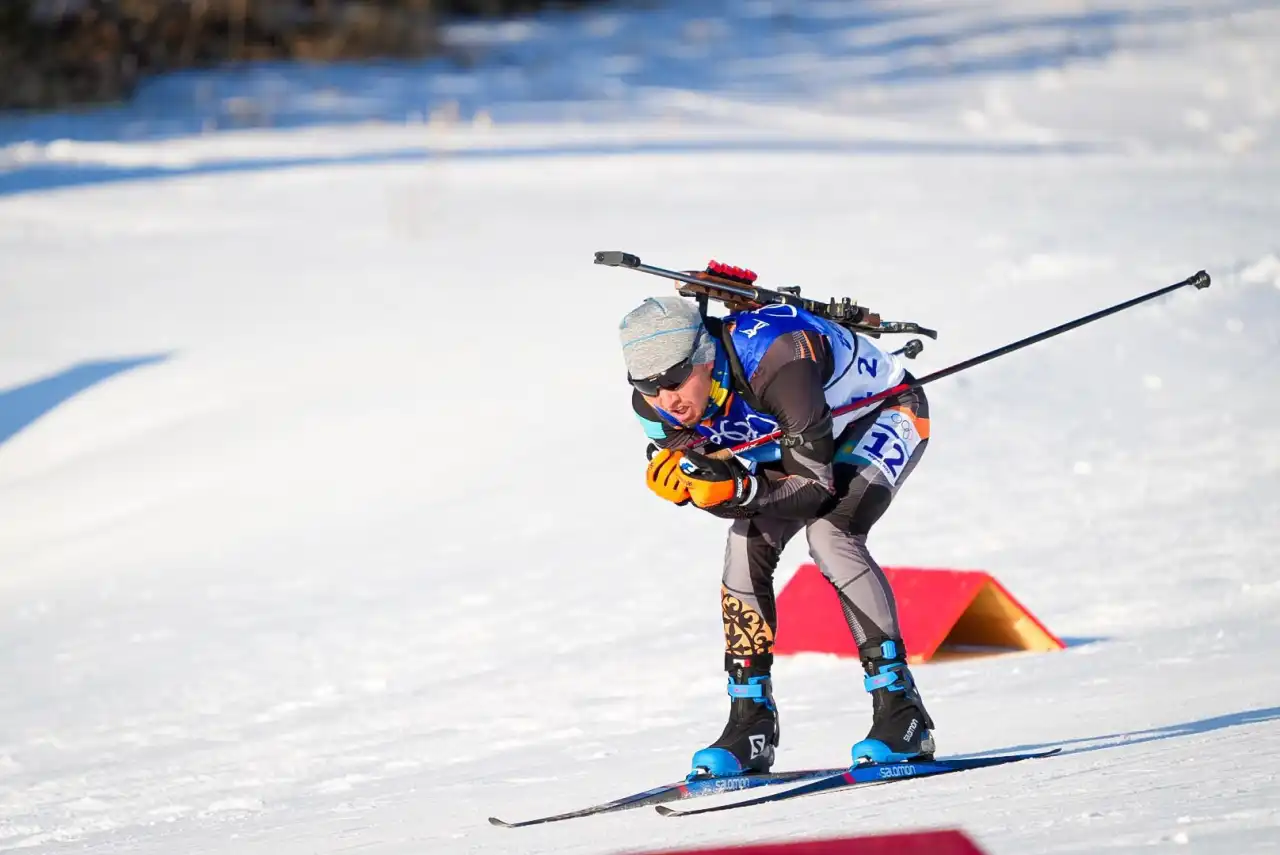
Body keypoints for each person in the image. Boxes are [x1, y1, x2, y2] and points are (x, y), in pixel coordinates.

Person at [618, 292, 936, 776]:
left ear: (705, 358)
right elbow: (722, 487)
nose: (666, 401)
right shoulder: (655, 410)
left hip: (881, 413)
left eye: (674, 381)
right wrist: (695, 488)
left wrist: (738, 489)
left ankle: (903, 712)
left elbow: (812, 489)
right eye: (647, 387)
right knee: (745, 545)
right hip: (795, 442)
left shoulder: (778, 358)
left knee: (832, 535)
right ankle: (751, 725)